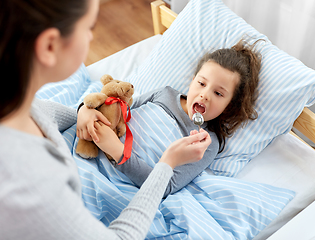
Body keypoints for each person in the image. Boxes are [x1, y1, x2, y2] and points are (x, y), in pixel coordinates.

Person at [0, 0, 211, 239]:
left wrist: (83, 111)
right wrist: (166, 165)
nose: (91, 38)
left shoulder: (24, 109)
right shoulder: (34, 188)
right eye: (89, 27)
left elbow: (46, 117)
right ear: (49, 46)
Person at [77, 39, 262, 197]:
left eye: (218, 93)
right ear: (192, 81)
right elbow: (117, 107)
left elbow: (167, 186)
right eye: (201, 83)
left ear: (229, 106)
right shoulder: (164, 94)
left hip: (118, 182)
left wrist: (118, 152)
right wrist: (83, 111)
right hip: (87, 149)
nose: (205, 95)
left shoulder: (207, 143)